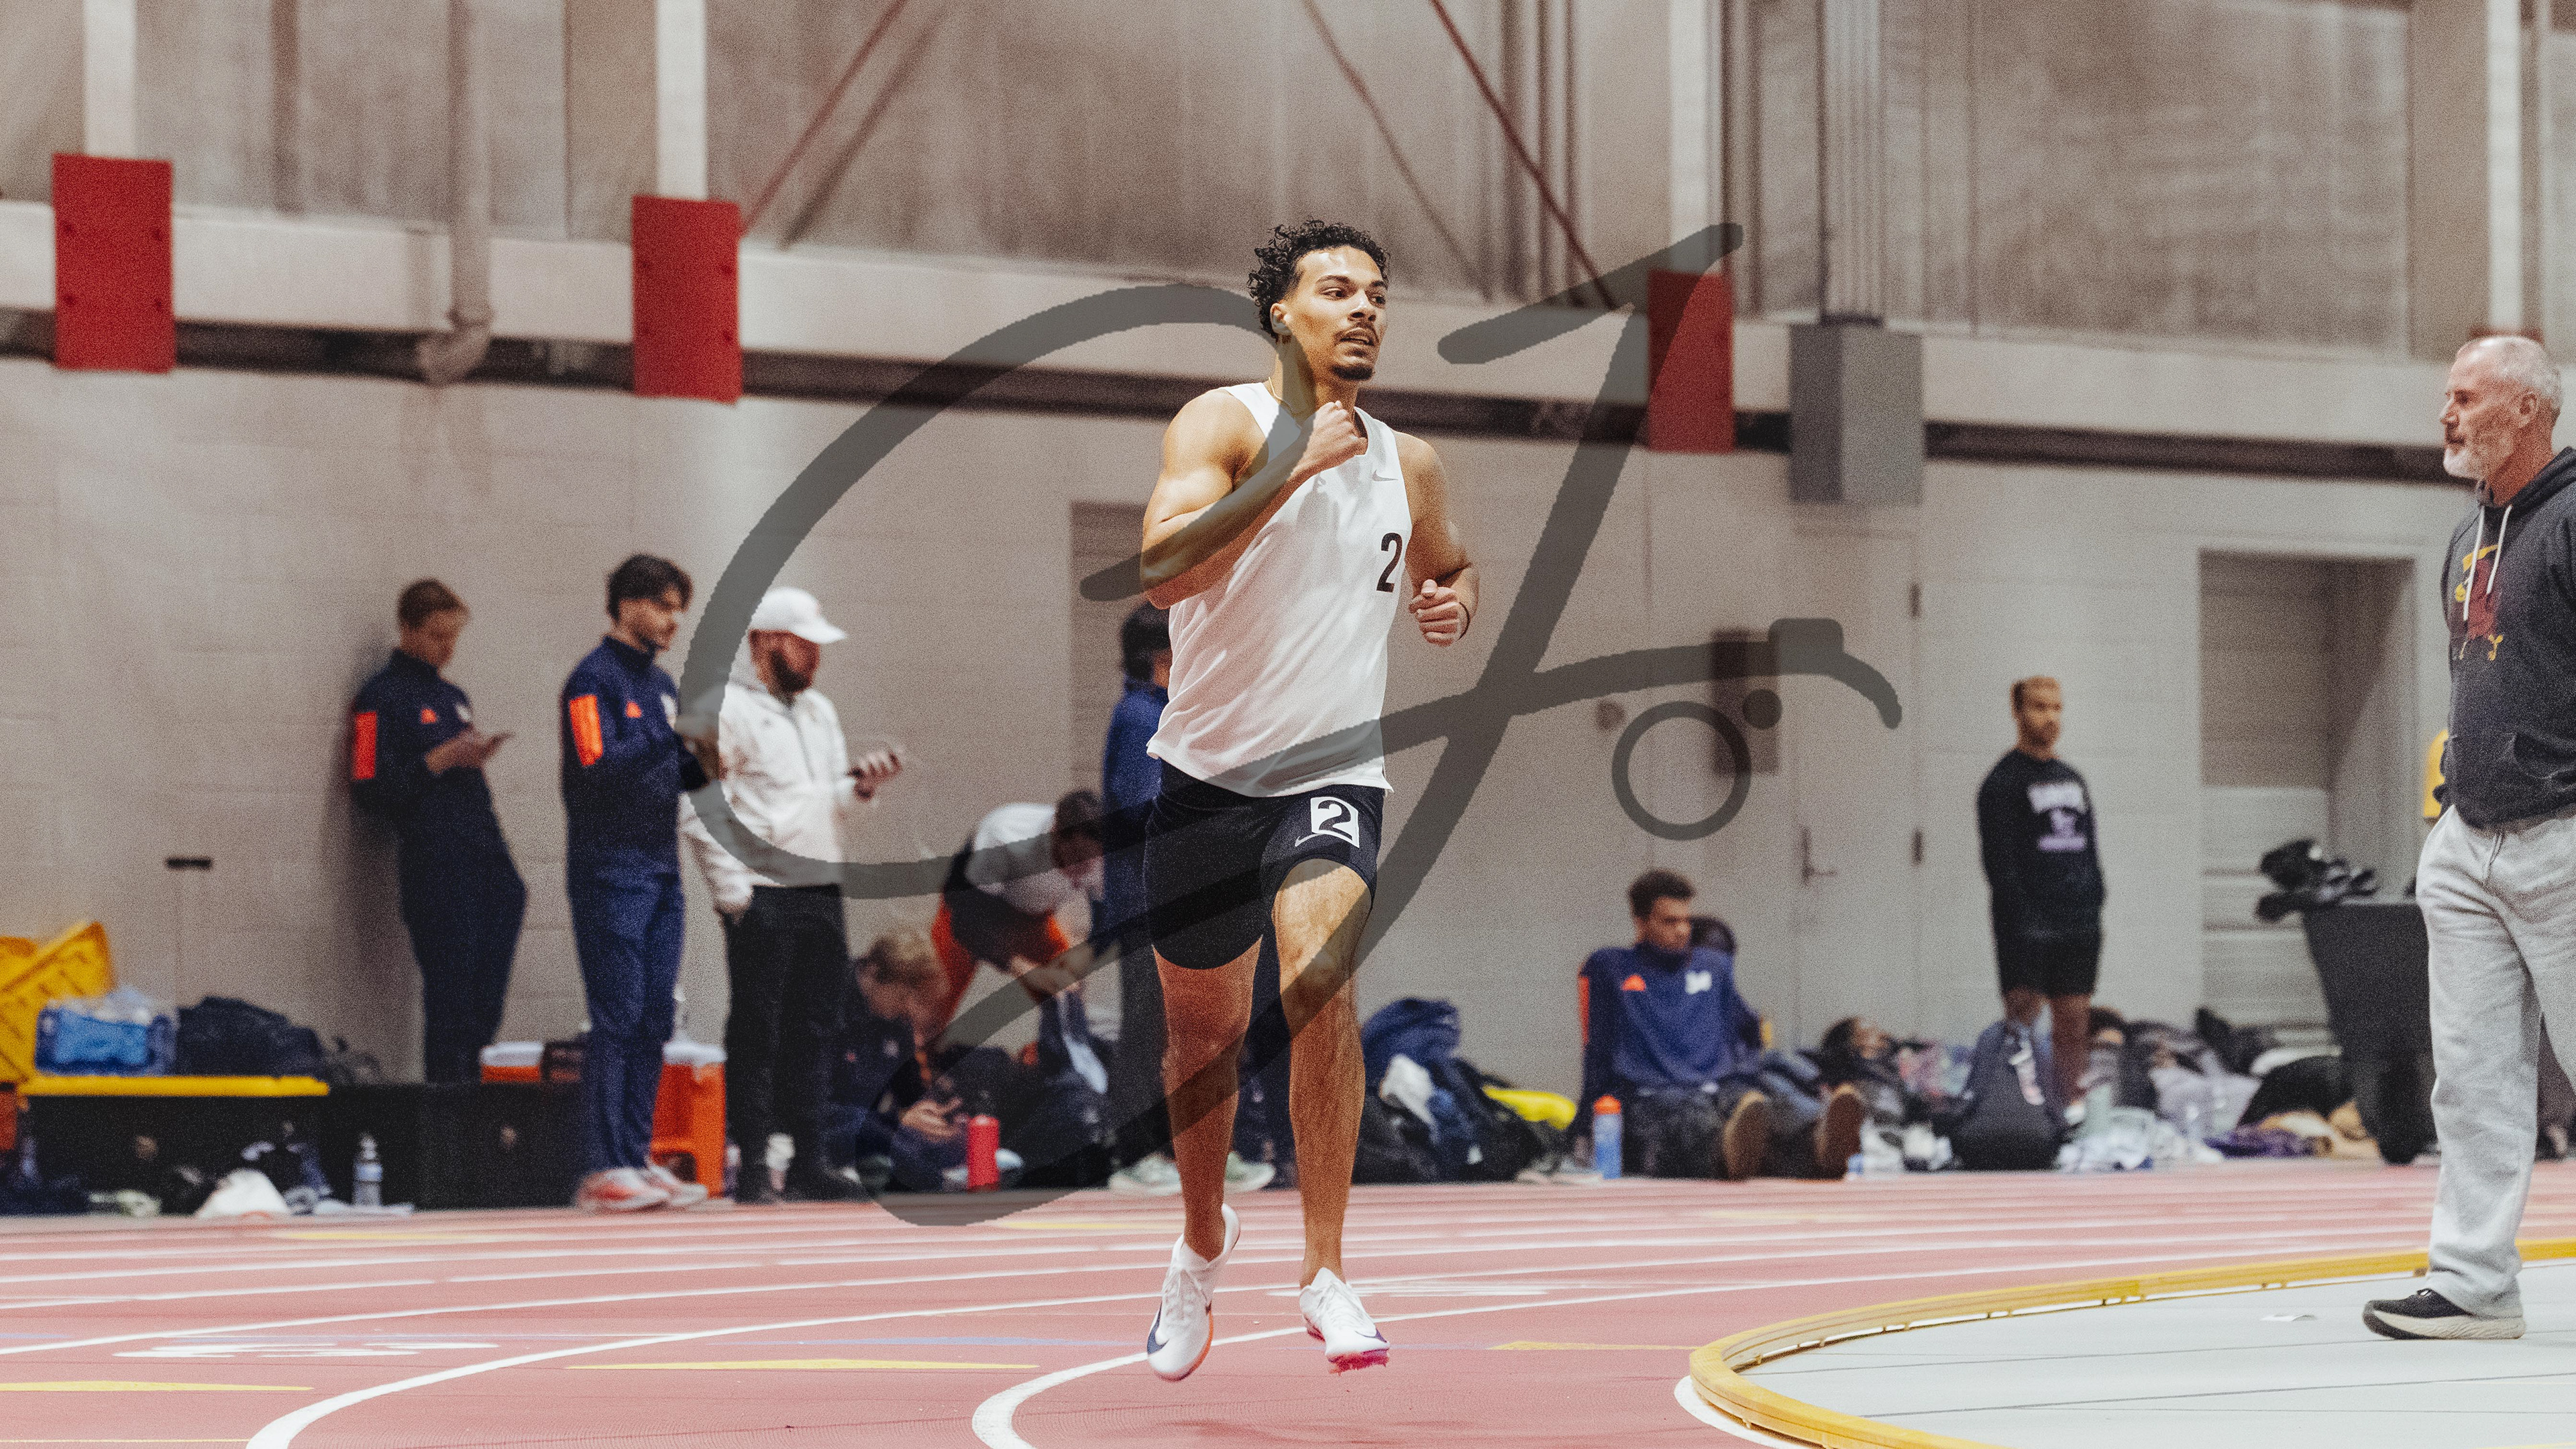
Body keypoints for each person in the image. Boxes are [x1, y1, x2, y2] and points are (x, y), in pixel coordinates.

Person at [1132, 219, 1477, 1379]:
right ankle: (1200, 1244)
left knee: (1321, 978)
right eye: (1338, 290)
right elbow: (1163, 572)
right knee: (1202, 1037)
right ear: (1282, 313)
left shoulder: (1409, 463)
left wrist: (1453, 602)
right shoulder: (1223, 425)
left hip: (1332, 776)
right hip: (1204, 780)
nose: (1365, 309)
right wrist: (1292, 467)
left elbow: (1448, 562)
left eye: (1378, 294)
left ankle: (1325, 1268)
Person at [2365, 335, 2576, 1342]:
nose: (2446, 415)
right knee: (2473, 1076)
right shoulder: (2468, 535)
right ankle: (2474, 1283)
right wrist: (2452, 812)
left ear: (2527, 409)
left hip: (2565, 836)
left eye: (2465, 397)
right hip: (2470, 843)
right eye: (2447, 397)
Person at [680, 586, 903, 1204]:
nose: (815, 657)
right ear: (767, 643)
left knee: (816, 1027)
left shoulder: (820, 712)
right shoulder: (722, 709)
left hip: (820, 886)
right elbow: (699, 802)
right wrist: (733, 895)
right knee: (759, 1029)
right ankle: (753, 1164)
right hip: (762, 890)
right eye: (805, 645)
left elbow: (828, 806)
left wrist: (860, 788)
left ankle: (808, 1161)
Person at [559, 554, 712, 1212]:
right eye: (664, 606)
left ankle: (634, 1152)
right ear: (628, 604)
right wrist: (665, 737)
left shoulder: (663, 685)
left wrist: (708, 758)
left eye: (680, 609)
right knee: (617, 1015)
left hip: (662, 867)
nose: (675, 620)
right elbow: (595, 765)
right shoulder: (590, 681)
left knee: (654, 1017)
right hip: (609, 869)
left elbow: (677, 772)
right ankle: (603, 1165)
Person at [347, 580, 525, 1084]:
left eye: (453, 638)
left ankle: (474, 1083)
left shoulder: (454, 697)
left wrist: (473, 756)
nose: (447, 649)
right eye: (436, 636)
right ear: (407, 628)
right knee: (451, 997)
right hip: (436, 862)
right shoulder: (378, 699)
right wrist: (438, 760)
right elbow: (368, 787)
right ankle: (446, 1103)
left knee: (485, 998)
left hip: (483, 850)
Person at [1578, 869, 1864, 1182]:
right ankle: (1727, 1154)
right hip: (1652, 1096)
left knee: (1767, 1102)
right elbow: (1597, 1049)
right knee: (1691, 1119)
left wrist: (1745, 1075)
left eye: (1686, 920)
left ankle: (1821, 1145)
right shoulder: (1610, 968)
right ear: (1641, 922)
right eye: (1670, 922)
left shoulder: (1714, 967)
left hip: (1718, 1087)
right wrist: (1583, 1126)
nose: (1682, 930)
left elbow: (1747, 1033)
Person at [1975, 676, 2106, 1108]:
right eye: (2039, 707)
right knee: (2023, 1025)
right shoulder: (2002, 783)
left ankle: (2072, 1112)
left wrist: (2093, 901)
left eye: (2056, 708)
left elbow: (2089, 848)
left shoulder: (2072, 778)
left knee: (2074, 1023)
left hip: (2077, 923)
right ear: (2017, 713)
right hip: (2026, 925)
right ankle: (2024, 1113)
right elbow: (1999, 865)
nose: (2050, 717)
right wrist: (2022, 920)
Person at [1102, 605, 1183, 1192]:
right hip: (1147, 899)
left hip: (1175, 897)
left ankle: (1177, 1148)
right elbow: (1140, 807)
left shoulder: (1168, 714)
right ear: (1162, 657)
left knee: (1179, 1030)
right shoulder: (1139, 717)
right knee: (1146, 1028)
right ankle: (1131, 1154)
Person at [930, 792, 1107, 1032]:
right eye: (1076, 858)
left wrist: (1088, 951)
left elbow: (1110, 918)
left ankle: (1059, 1049)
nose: (1082, 870)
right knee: (933, 997)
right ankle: (915, 1048)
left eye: (1091, 861)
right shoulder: (1006, 835)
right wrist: (1022, 968)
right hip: (972, 908)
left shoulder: (1105, 860)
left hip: (1032, 918)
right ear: (1054, 832)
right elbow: (964, 919)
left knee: (1068, 989)